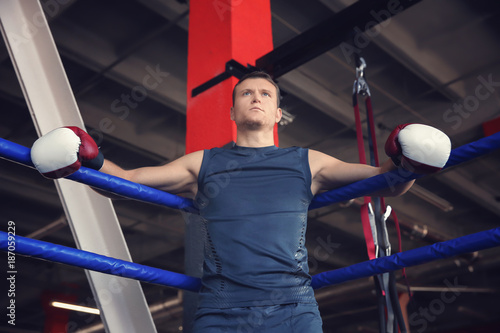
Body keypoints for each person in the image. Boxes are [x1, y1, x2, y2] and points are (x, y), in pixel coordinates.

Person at [30, 71, 451, 332]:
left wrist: (411, 161)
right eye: (246, 93)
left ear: (277, 112)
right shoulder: (203, 163)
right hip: (221, 308)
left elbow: (387, 183)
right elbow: (125, 182)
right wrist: (88, 160)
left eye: (265, 94)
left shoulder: (309, 161)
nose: (255, 98)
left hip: (292, 306)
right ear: (232, 111)